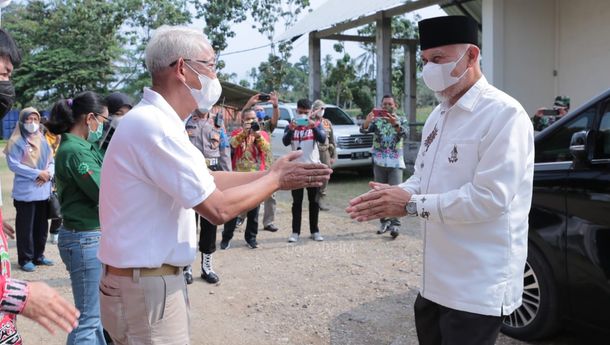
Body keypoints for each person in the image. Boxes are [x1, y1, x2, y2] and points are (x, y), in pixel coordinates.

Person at [97, 25, 331, 345]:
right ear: (182, 68)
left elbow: (208, 179)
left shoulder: (158, 122)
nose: (215, 75)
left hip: (145, 284)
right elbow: (217, 208)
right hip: (147, 288)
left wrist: (270, 174)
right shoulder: (156, 128)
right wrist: (276, 180)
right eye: (210, 65)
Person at [346, 16, 534, 345]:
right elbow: (423, 178)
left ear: (472, 56)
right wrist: (396, 193)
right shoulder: (438, 114)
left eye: (438, 59)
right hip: (433, 283)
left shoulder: (504, 115)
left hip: (476, 287)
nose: (429, 69)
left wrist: (412, 204)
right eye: (424, 61)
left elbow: (489, 199)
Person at [0, 27, 79, 339]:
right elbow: (14, 163)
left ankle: (34, 254)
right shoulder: (19, 139)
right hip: (27, 188)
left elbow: (49, 158)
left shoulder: (46, 139)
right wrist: (19, 294)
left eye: (8, 76)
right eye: (3, 72)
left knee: (36, 227)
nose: (7, 84)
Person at [46, 92, 108, 344]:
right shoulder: (75, 151)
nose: (104, 126)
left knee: (94, 316)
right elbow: (103, 192)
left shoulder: (84, 146)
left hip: (89, 237)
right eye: (103, 120)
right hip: (84, 239)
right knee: (89, 319)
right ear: (89, 118)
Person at [183, 109, 231, 284]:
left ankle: (207, 266)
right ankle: (186, 266)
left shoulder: (218, 123)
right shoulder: (185, 119)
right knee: (188, 223)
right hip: (190, 174)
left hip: (213, 174)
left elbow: (224, 150)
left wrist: (228, 177)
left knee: (210, 221)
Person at [5, 107, 55, 272]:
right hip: (26, 193)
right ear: (22, 121)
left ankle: (38, 256)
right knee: (26, 227)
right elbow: (14, 164)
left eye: (35, 119)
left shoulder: (42, 138)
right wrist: (37, 173)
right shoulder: (16, 141)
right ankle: (25, 258)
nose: (33, 123)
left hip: (43, 190)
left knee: (41, 226)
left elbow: (51, 160)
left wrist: (48, 173)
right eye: (29, 119)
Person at [221, 108, 272, 250]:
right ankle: (226, 238)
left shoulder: (261, 133)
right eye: (248, 119)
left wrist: (257, 135)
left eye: (253, 118)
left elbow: (266, 150)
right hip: (238, 177)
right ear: (243, 121)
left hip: (255, 177)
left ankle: (251, 238)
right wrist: (244, 132)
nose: (251, 121)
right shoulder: (238, 132)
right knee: (233, 210)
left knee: (253, 211)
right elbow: (232, 144)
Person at [360, 95, 408, 238]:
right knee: (380, 194)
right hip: (379, 162)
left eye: (390, 104)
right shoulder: (377, 120)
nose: (387, 106)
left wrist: (395, 124)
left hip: (395, 163)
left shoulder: (402, 119)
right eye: (384, 104)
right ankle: (384, 222)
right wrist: (367, 122)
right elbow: (364, 131)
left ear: (395, 106)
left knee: (395, 193)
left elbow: (405, 133)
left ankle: (395, 224)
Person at [283, 98, 326, 243]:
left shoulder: (317, 124)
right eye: (300, 112)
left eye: (305, 113)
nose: (302, 115)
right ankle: (295, 232)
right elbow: (285, 141)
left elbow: (322, 139)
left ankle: (315, 231)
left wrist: (313, 126)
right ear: (296, 111)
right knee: (297, 202)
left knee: (314, 201)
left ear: (310, 113)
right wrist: (291, 129)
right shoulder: (291, 126)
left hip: (312, 168)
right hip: (296, 169)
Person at [241, 93, 280, 232]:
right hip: (250, 166)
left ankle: (268, 222)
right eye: (256, 110)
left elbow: (276, 118)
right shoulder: (246, 125)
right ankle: (240, 218)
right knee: (246, 193)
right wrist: (249, 103)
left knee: (271, 194)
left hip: (267, 164)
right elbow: (242, 116)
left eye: (261, 111)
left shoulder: (266, 126)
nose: (259, 112)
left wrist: (275, 105)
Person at [311, 100, 336, 211]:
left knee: (325, 176)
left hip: (325, 152)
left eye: (323, 109)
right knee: (314, 176)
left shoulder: (327, 123)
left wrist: (333, 156)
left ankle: (320, 198)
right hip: (314, 151)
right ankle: (313, 200)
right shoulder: (310, 121)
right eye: (320, 109)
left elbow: (332, 140)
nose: (322, 111)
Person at [40, 116, 62, 245]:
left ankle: (55, 232)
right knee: (47, 204)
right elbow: (47, 155)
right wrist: (56, 143)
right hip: (48, 173)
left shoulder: (61, 136)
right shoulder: (43, 137)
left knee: (58, 203)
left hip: (58, 172)